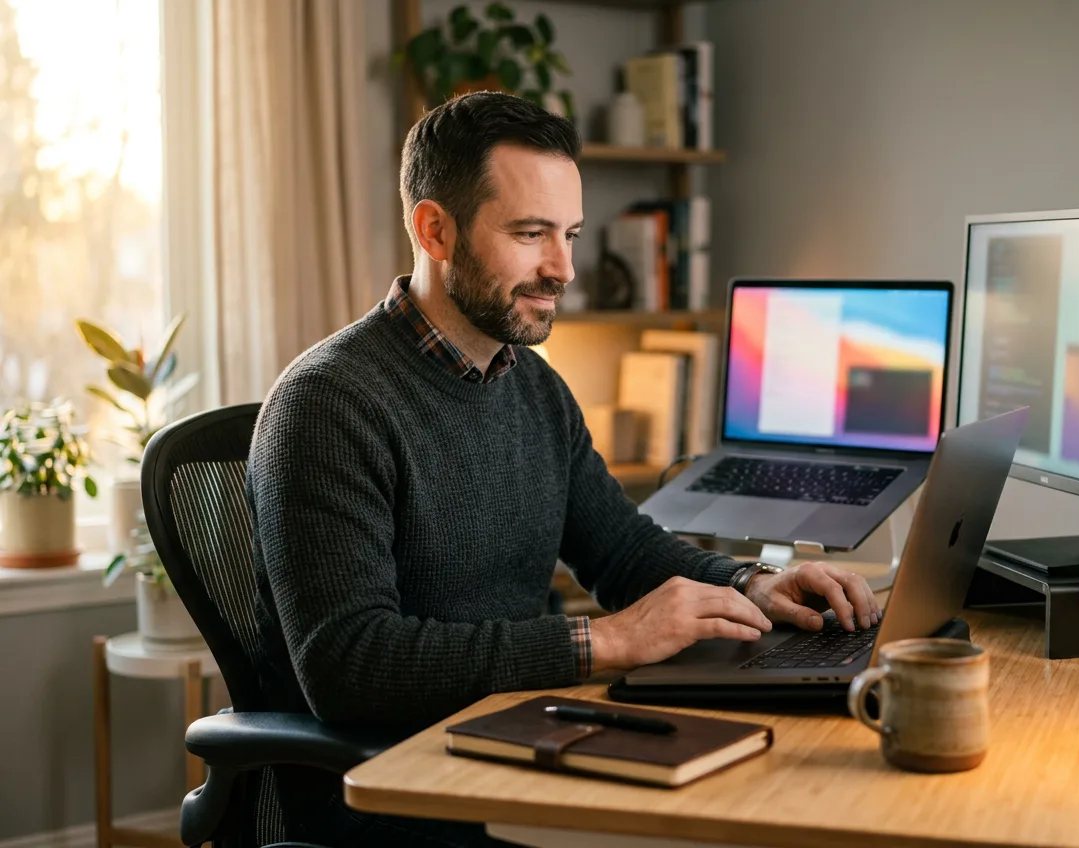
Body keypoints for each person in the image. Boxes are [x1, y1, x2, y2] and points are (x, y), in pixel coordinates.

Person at [246, 92, 880, 847]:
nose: (564, 268)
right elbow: (350, 663)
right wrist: (604, 643)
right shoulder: (327, 405)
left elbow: (622, 549)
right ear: (434, 229)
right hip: (406, 793)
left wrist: (752, 585)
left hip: (519, 746)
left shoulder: (533, 385)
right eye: (531, 233)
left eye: (571, 234)